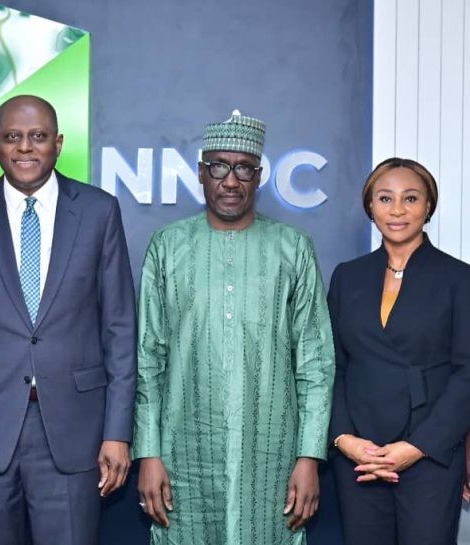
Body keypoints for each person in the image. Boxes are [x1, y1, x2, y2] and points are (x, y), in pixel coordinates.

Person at [0, 95, 137, 545]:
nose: (25, 148)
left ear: (58, 143)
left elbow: (119, 330)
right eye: (13, 137)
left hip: (74, 432)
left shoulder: (99, 212)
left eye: (38, 137)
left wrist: (118, 433)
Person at [134, 111, 335, 545]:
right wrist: (148, 452)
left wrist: (309, 456)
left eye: (243, 168)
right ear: (202, 173)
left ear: (258, 176)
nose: (231, 180)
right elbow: (148, 358)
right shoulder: (167, 247)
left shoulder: (293, 248)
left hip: (272, 456)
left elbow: (316, 363)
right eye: (219, 167)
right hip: (183, 453)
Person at [328, 157, 470, 544]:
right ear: (370, 208)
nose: (397, 209)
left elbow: (467, 372)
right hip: (360, 455)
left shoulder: (459, 278)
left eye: (410, 198)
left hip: (430, 453)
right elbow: (334, 366)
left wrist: (418, 446)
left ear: (428, 208)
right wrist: (344, 439)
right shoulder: (347, 276)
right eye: (385, 198)